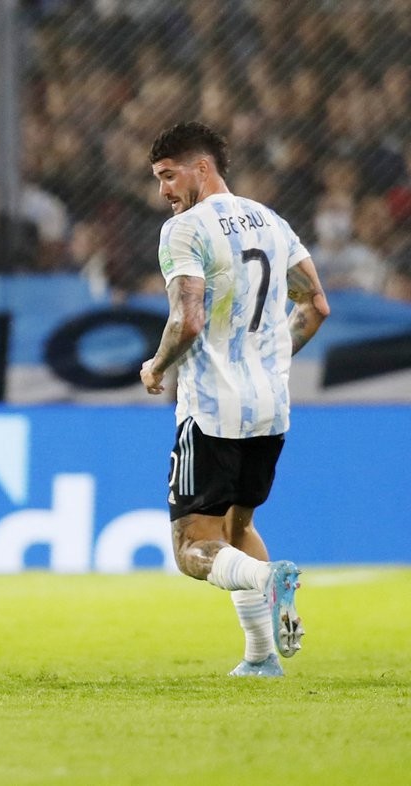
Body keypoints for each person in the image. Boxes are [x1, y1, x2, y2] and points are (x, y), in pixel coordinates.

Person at [140, 122, 330, 677]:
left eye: (168, 176)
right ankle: (261, 656)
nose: (163, 192)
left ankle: (267, 580)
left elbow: (189, 319)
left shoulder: (185, 231)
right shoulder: (272, 221)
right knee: (237, 529)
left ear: (203, 168)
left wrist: (157, 365)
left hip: (212, 409)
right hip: (271, 406)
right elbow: (316, 304)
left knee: (190, 546)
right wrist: (270, 357)